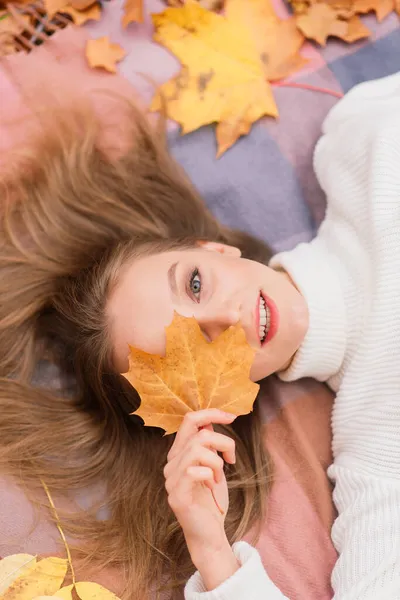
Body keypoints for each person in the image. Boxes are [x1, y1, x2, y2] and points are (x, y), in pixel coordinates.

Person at [1, 69, 399, 600]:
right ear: (211, 407)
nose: (224, 319)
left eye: (193, 284)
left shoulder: (358, 146)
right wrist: (213, 552)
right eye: (191, 349)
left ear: (213, 250)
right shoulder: (378, 445)